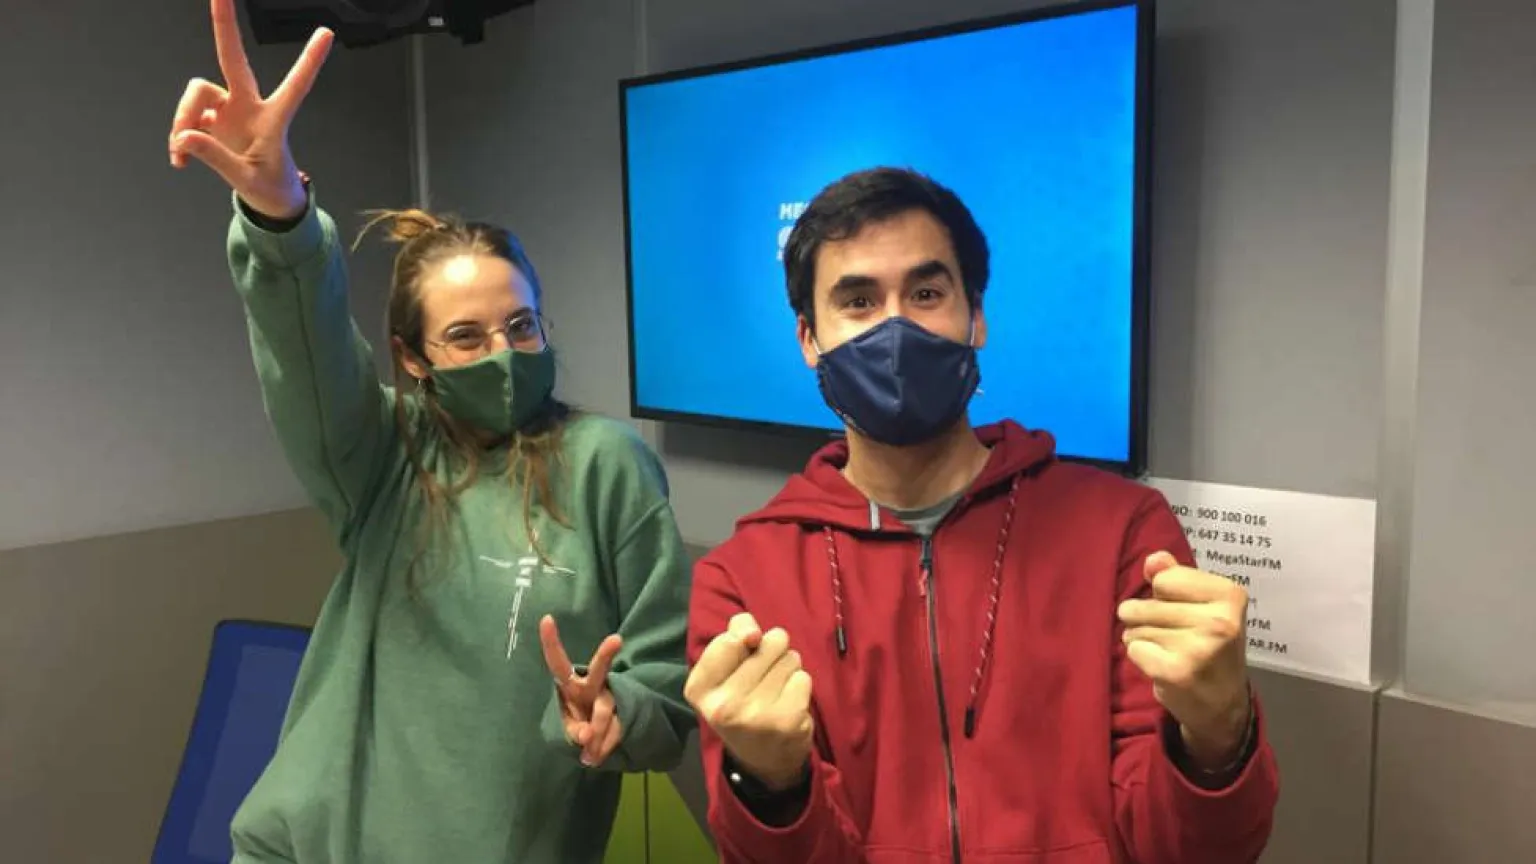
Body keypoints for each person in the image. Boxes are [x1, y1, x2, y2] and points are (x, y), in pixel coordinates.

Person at [166, 3, 693, 861]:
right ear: (413, 358)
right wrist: (278, 215)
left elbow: (666, 682)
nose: (504, 353)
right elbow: (305, 346)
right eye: (467, 338)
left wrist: (618, 713)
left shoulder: (608, 467)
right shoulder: (382, 454)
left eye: (521, 326)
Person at [683, 167, 1280, 863]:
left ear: (976, 317)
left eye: (926, 293)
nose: (897, 328)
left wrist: (1218, 733)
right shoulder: (743, 582)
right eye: (859, 301)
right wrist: (771, 786)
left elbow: (1193, 851)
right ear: (809, 339)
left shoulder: (1123, 533)